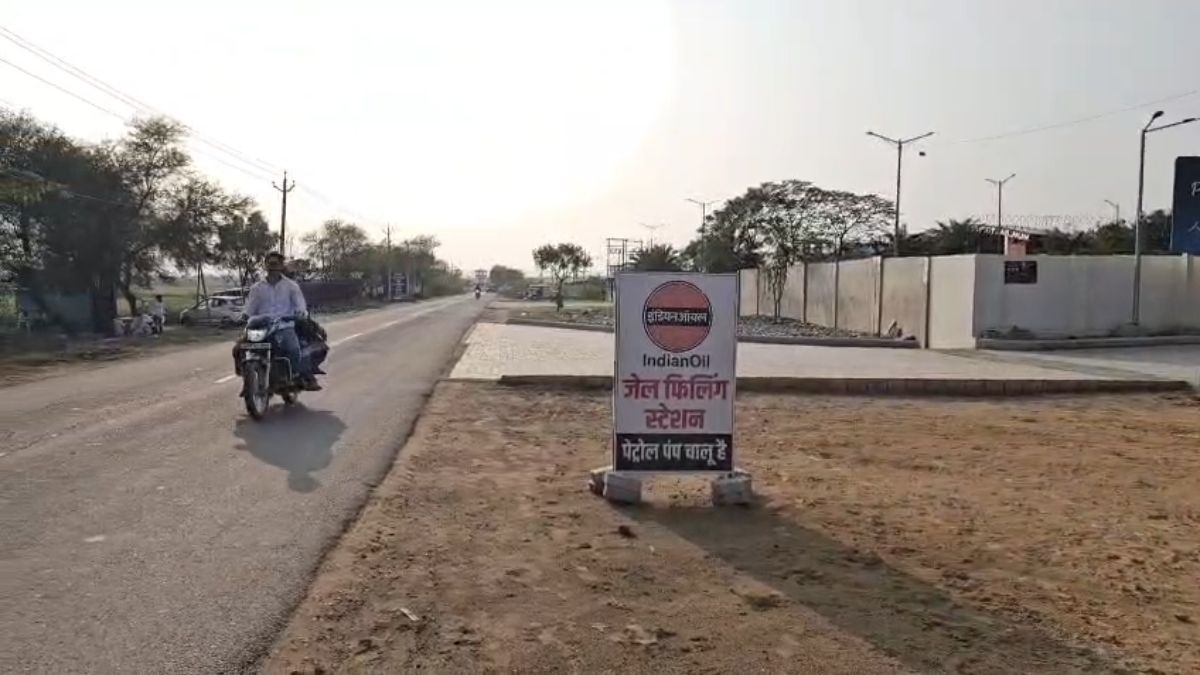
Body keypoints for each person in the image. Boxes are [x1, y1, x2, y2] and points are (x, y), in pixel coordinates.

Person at [242, 252, 321, 391]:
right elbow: (249, 309)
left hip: (283, 325)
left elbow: (300, 305)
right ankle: (248, 382)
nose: (272, 267)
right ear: (265, 265)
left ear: (281, 266)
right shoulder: (257, 288)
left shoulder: (291, 286)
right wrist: (243, 316)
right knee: (239, 349)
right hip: (260, 326)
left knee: (293, 348)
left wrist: (300, 313)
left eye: (275, 264)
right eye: (270, 263)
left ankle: (295, 376)